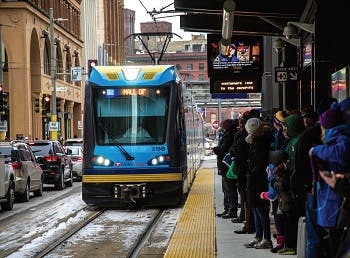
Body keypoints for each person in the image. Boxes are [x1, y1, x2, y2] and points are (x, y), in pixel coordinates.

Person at [213, 119, 238, 219]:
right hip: (225, 166)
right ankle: (227, 209)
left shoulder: (229, 135)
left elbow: (224, 150)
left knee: (229, 189)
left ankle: (231, 210)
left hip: (227, 166)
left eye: (223, 123)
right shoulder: (228, 133)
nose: (221, 124)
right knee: (226, 189)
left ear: (226, 125)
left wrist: (216, 149)